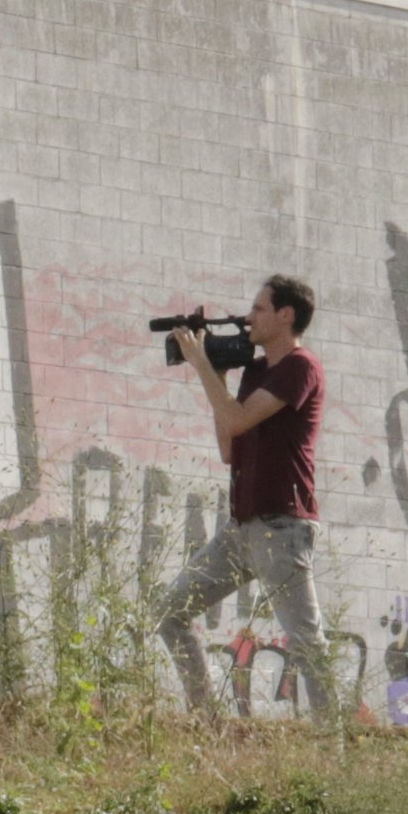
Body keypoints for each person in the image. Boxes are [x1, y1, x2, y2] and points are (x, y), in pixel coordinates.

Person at [154, 276, 329, 719]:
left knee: (307, 644)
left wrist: (201, 366)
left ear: (286, 316)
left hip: (281, 527)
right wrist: (218, 377)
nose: (249, 318)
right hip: (242, 529)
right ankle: (206, 719)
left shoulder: (300, 367)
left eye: (259, 309)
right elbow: (230, 447)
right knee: (169, 613)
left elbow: (236, 421)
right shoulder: (255, 372)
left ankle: (336, 745)